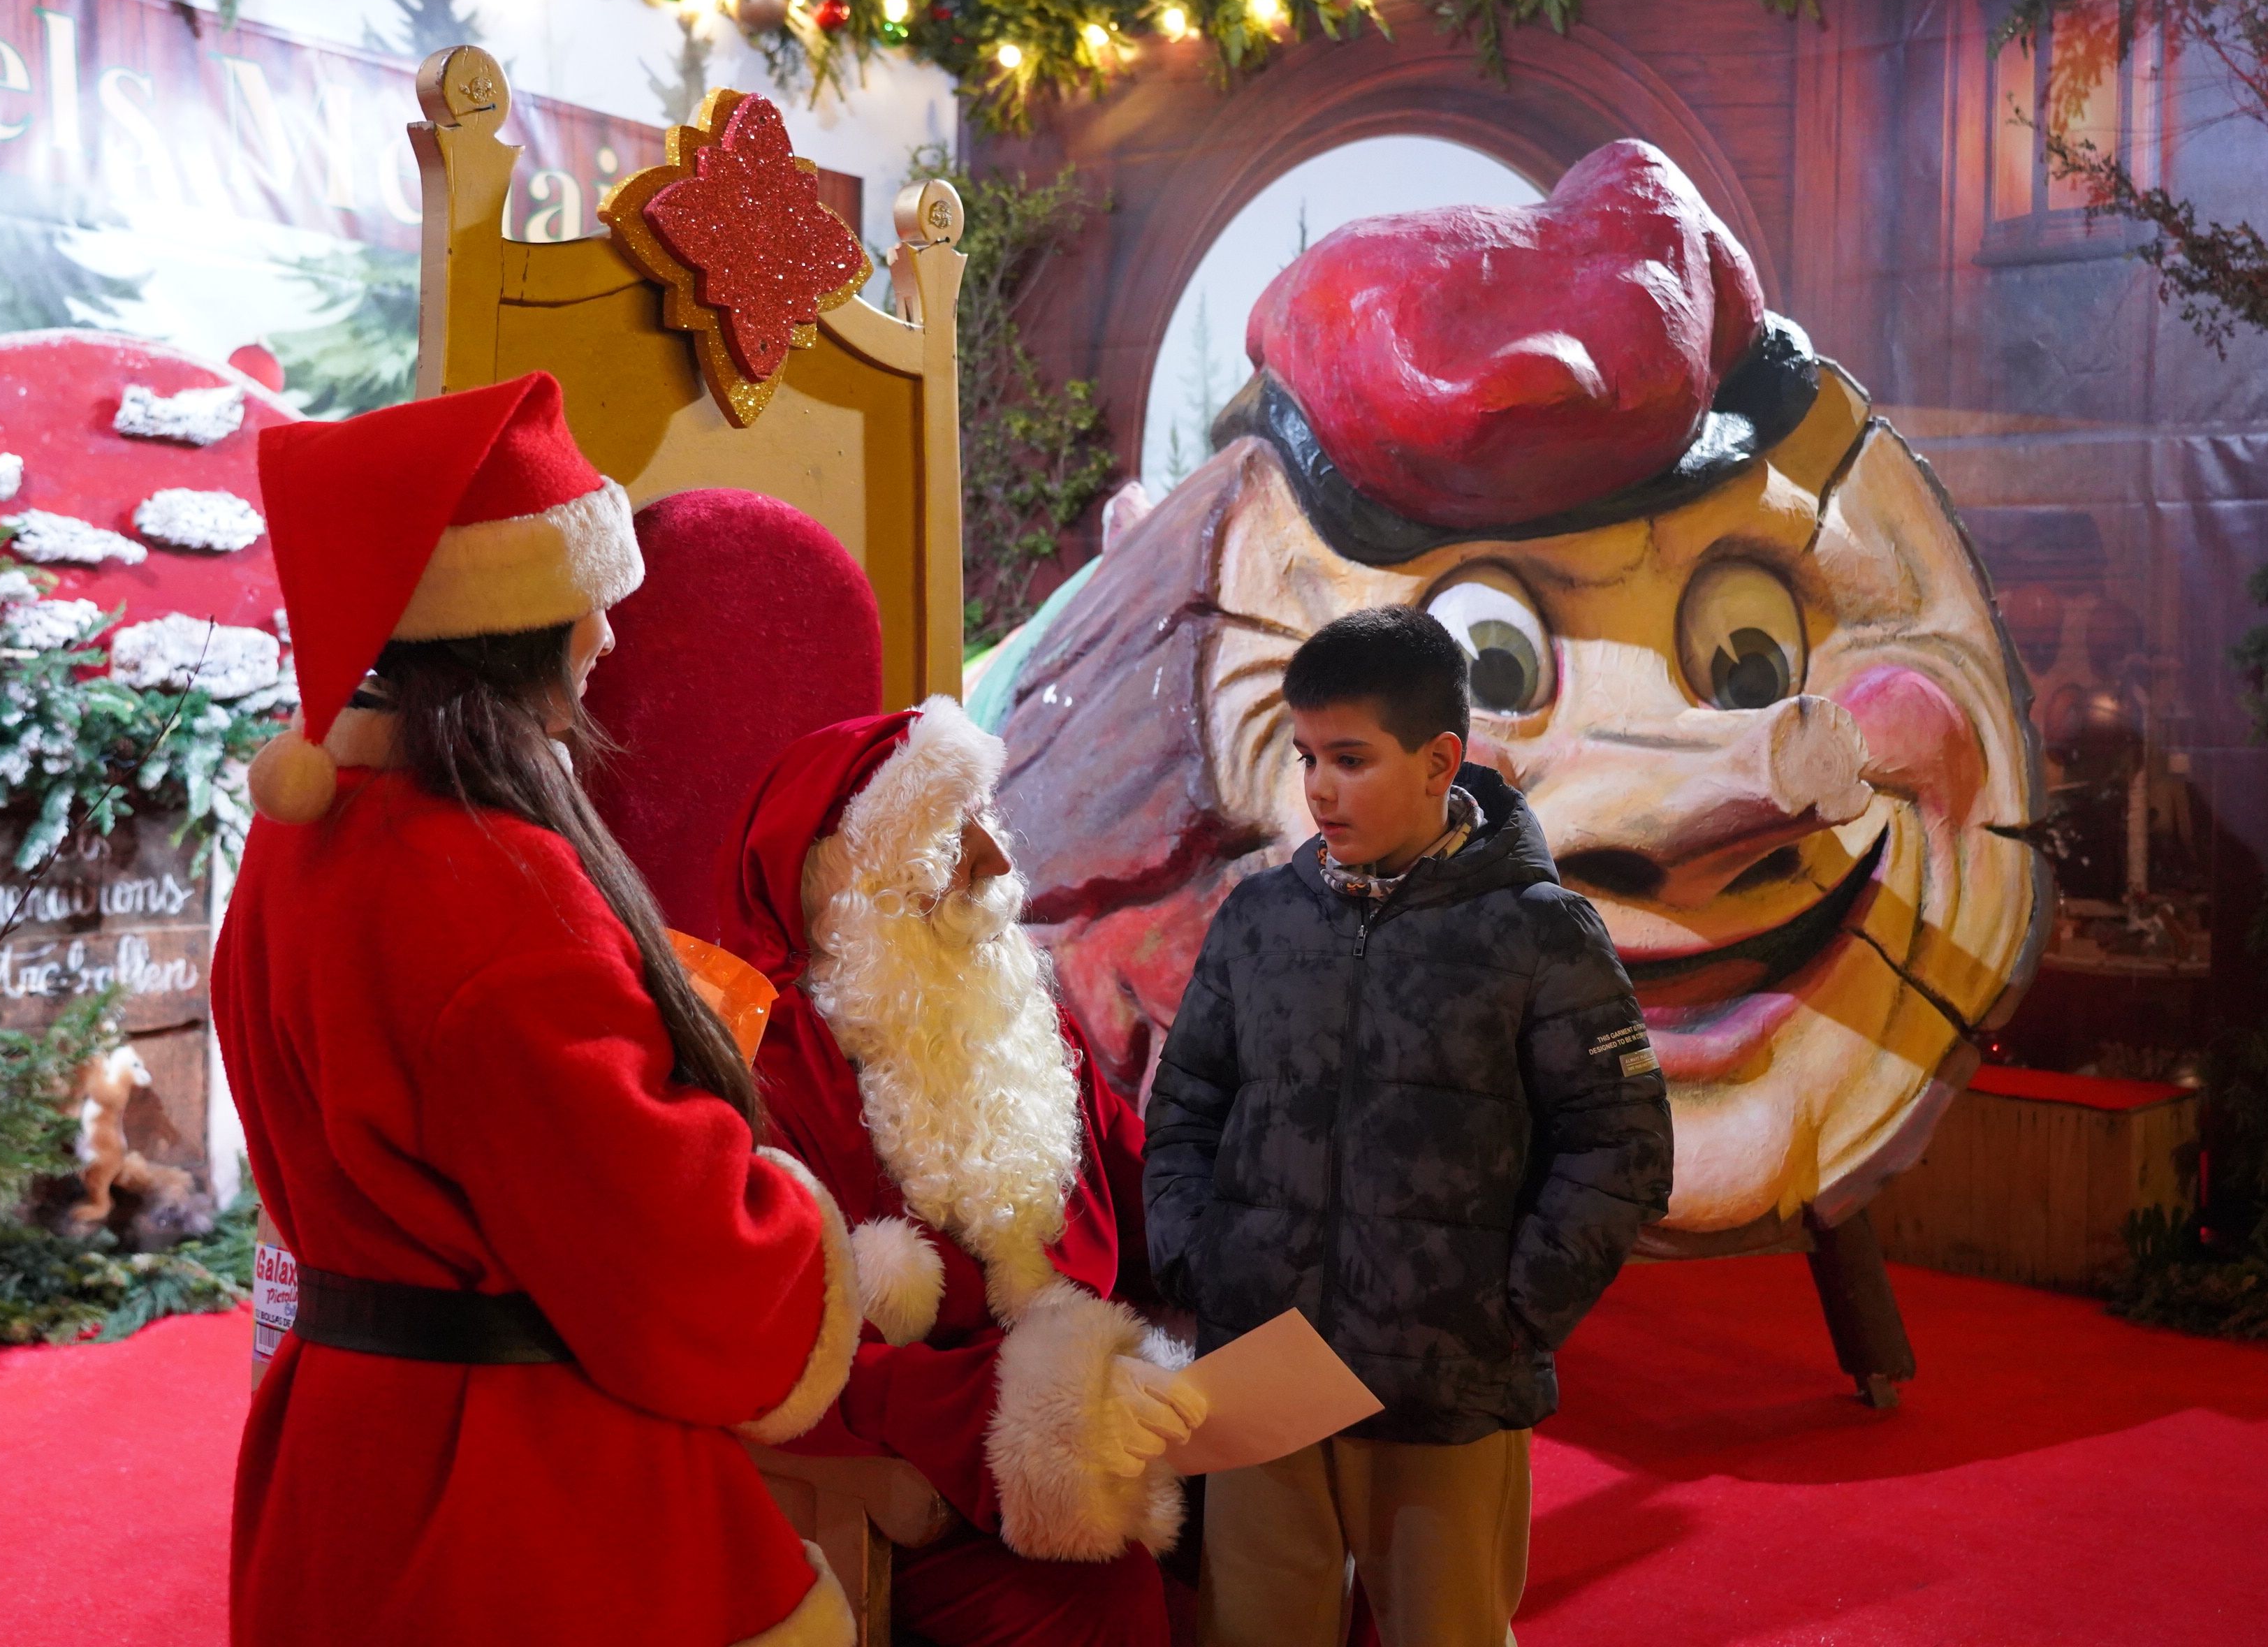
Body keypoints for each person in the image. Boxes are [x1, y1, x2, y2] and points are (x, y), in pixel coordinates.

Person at [214, 372, 865, 1647]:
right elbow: (662, 1251)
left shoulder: (302, 838)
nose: (607, 643)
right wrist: (801, 1233)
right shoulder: (489, 884)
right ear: (507, 626)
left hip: (348, 1462)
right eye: (585, 610)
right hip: (520, 1500)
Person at [1144, 603, 1676, 1647]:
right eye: (1306, 758)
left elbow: (1621, 1146)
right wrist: (1204, 1263)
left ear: (1441, 761)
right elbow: (1186, 1110)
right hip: (1264, 1362)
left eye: (1351, 758)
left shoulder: (1535, 932)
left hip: (1447, 1374)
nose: (1320, 790)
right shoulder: (1260, 919)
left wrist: (1510, 1311)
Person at [716, 696, 1208, 1647]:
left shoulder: (1025, 1024)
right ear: (844, 887)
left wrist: (1285, 1247)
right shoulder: (776, 1074)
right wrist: (1038, 1410)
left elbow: (1157, 1204)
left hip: (1122, 1429)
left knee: (1308, 1527)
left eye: (987, 820)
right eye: (948, 835)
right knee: (1098, 1614)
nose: (992, 857)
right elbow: (775, 1359)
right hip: (932, 1492)